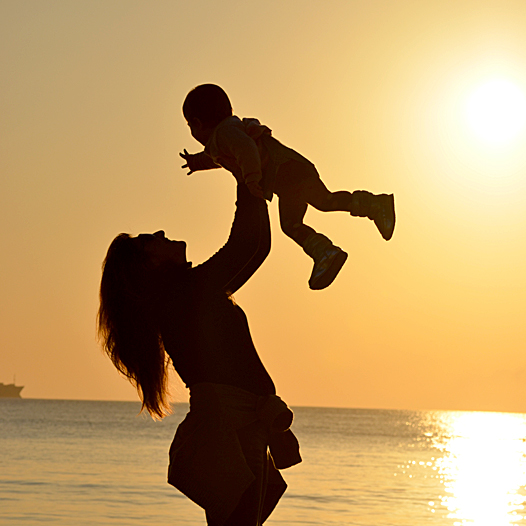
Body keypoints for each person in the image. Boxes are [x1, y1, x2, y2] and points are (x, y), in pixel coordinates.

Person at [98, 176, 300, 525]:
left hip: (239, 425)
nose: (161, 233)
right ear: (150, 265)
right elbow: (248, 245)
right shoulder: (187, 294)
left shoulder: (187, 295)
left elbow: (255, 248)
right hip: (230, 428)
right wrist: (245, 174)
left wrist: (251, 181)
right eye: (151, 241)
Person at [179, 83, 395, 290]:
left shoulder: (226, 133)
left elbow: (246, 150)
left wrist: (252, 179)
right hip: (287, 178)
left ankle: (356, 223)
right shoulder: (223, 138)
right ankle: (328, 250)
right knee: (308, 212)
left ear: (197, 123)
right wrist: (196, 163)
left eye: (190, 126)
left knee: (318, 205)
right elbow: (216, 158)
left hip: (289, 171)